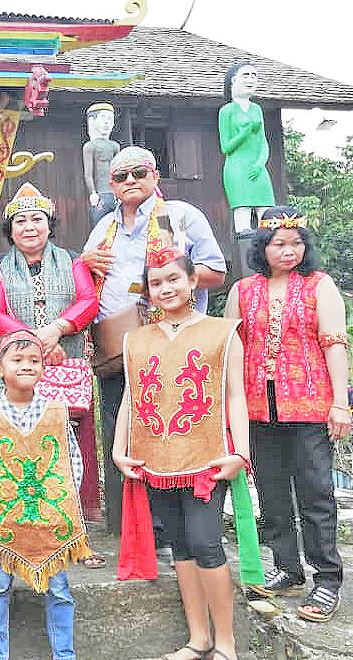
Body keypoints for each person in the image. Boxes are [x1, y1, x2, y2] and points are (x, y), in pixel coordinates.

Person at [113, 249, 250, 660]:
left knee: (206, 544)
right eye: (155, 283)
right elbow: (131, 398)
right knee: (181, 547)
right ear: (147, 290)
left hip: (207, 457)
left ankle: (226, 644)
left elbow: (236, 396)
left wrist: (241, 453)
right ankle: (199, 638)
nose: (165, 288)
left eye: (173, 279)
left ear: (192, 281)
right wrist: (119, 450)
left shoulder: (222, 332)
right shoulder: (136, 339)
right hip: (154, 460)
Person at [81, 145, 226, 532]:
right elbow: (84, 278)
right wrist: (84, 263)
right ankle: (130, 527)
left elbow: (216, 271)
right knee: (120, 429)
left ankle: (174, 527)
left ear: (155, 175)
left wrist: (167, 280)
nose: (130, 181)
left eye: (139, 173)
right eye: (121, 176)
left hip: (172, 344)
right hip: (117, 348)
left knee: (168, 426)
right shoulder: (103, 227)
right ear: (111, 184)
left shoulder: (180, 216)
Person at [225, 206, 349, 623]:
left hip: (310, 404)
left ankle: (327, 579)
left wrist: (340, 403)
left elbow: (334, 342)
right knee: (273, 493)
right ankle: (288, 568)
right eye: (279, 244)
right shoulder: (243, 290)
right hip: (257, 407)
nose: (289, 251)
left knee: (316, 493)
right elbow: (229, 348)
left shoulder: (319, 285)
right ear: (263, 247)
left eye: (296, 243)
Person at [0, 182, 103, 535]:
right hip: (18, 370)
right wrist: (37, 342)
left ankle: (72, 526)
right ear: (10, 231)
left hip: (67, 365)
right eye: (20, 222)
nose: (29, 227)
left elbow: (88, 301)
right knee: (19, 445)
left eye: (37, 219)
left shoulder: (73, 262)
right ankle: (18, 523)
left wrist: (59, 328)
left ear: (50, 225)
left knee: (66, 445)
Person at [0, 328, 91, 660]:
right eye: (17, 359)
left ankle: (64, 654)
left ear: (43, 368)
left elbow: (71, 462)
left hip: (50, 523)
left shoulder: (56, 411)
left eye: (34, 360)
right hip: (2, 525)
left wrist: (66, 507)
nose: (26, 366)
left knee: (59, 590)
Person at [219, 63, 274, 237]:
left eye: (254, 75)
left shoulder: (257, 109)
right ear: (234, 80)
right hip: (236, 168)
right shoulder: (226, 111)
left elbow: (263, 142)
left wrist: (260, 164)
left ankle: (269, 246)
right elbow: (226, 147)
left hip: (257, 167)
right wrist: (244, 133)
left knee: (267, 214)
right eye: (246, 75)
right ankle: (246, 248)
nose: (250, 79)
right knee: (242, 212)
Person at [81, 102, 121, 225]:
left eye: (110, 119)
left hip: (115, 193)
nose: (107, 122)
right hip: (100, 193)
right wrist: (93, 192)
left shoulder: (114, 146)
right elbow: (88, 174)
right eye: (103, 118)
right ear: (92, 121)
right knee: (100, 225)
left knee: (119, 225)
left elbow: (119, 171)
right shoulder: (90, 146)